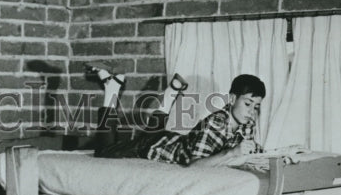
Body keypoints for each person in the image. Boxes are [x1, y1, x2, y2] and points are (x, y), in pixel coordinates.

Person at [91, 70, 266, 167]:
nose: (252, 111)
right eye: (248, 104)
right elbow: (194, 166)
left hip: (171, 139)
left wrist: (282, 156)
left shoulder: (247, 122)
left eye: (256, 106)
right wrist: (232, 152)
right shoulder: (216, 123)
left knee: (152, 133)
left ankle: (171, 93)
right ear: (233, 99)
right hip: (153, 148)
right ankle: (111, 90)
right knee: (103, 152)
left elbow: (251, 152)